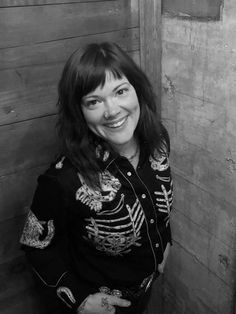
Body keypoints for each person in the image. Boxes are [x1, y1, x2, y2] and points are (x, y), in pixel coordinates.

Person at [20, 42, 173, 314]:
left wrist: (164, 243)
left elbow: (157, 206)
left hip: (146, 291)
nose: (112, 110)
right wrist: (78, 299)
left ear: (137, 90)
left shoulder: (158, 138)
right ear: (79, 111)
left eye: (121, 91)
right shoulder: (63, 179)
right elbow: (36, 245)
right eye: (94, 101)